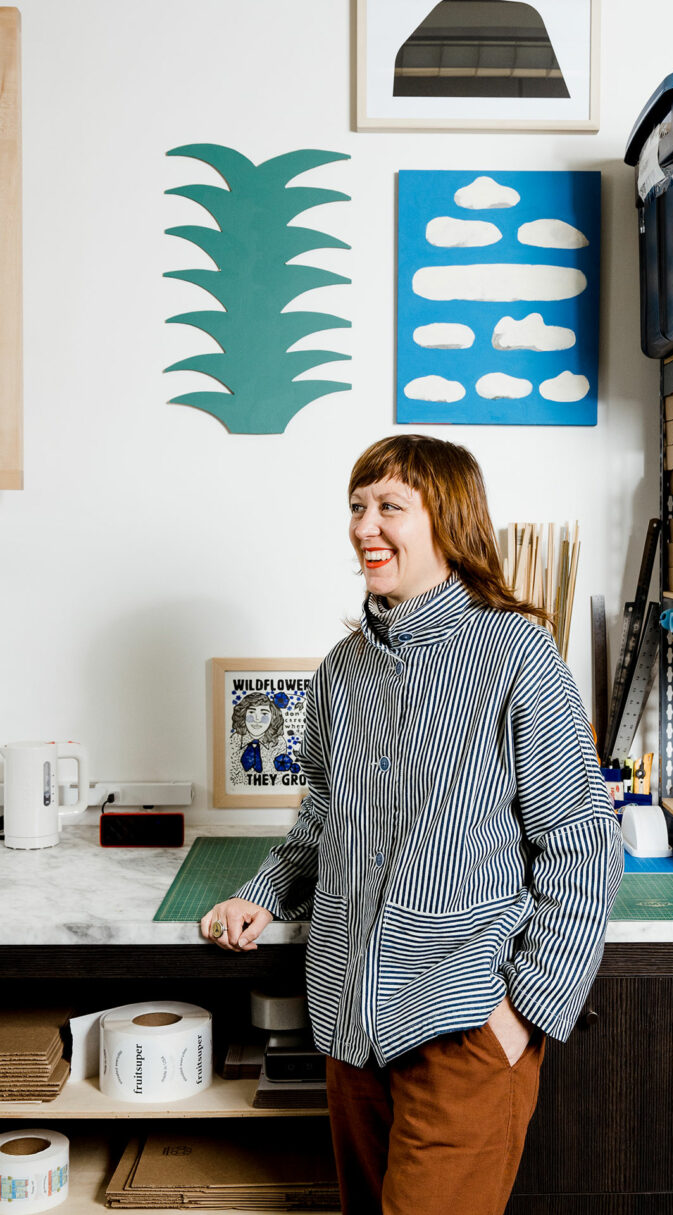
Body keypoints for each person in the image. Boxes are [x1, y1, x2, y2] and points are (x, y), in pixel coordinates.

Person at [201, 434, 623, 1215]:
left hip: (463, 1025)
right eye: (358, 506)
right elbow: (322, 817)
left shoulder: (517, 652)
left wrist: (522, 1012)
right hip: (350, 1024)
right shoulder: (339, 670)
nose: (367, 526)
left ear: (449, 521)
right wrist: (265, 892)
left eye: (390, 507)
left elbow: (583, 841)